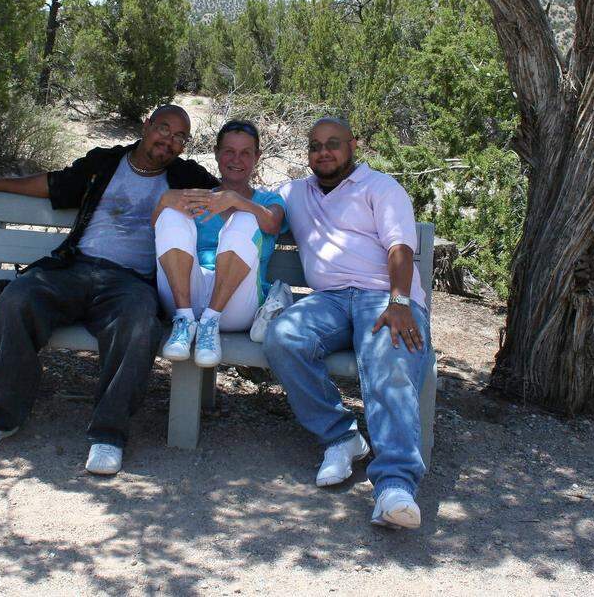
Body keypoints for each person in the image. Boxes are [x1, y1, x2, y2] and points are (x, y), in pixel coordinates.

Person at [0, 105, 218, 475]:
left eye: (180, 137)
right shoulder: (106, 161)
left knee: (140, 325)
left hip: (131, 282)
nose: (170, 141)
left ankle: (109, 434)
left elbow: (228, 196)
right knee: (16, 299)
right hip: (73, 268)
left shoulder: (186, 176)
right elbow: (54, 185)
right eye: (164, 129)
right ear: (146, 126)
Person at [263, 117, 432, 529]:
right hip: (330, 301)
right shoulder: (294, 192)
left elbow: (400, 246)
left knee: (389, 358)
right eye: (315, 145)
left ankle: (395, 486)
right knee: (284, 336)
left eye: (333, 143)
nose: (324, 152)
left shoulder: (381, 187)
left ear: (353, 145)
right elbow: (267, 218)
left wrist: (399, 301)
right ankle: (341, 436)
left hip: (384, 296)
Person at [151, 120, 287, 367]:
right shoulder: (200, 196)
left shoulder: (268, 200)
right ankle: (184, 321)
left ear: (257, 156)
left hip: (235, 306)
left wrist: (236, 200)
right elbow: (160, 230)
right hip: (186, 299)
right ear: (216, 154)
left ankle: (210, 322)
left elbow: (272, 224)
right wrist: (163, 202)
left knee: (246, 217)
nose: (237, 159)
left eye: (246, 153)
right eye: (229, 151)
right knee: (171, 212)